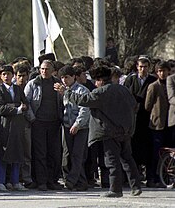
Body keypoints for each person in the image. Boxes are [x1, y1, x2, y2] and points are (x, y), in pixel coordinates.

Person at [55, 65, 142, 198]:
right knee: (127, 159)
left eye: (96, 80)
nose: (95, 83)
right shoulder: (123, 89)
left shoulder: (101, 92)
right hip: (126, 130)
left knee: (111, 161)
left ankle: (115, 189)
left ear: (101, 80)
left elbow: (84, 100)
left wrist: (66, 92)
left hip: (109, 131)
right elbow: (134, 106)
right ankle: (135, 186)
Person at [24, 60, 64, 191]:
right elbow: (26, 102)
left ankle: (52, 180)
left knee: (54, 153)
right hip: (38, 122)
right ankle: (41, 181)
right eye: (42, 69)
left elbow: (64, 101)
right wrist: (32, 118)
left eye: (47, 69)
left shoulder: (57, 83)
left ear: (53, 70)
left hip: (54, 122)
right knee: (40, 153)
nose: (44, 71)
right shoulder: (33, 84)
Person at [0, 65, 27, 191]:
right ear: (0, 76)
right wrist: (16, 108)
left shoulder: (18, 89)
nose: (6, 76)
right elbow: (0, 108)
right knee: (4, 153)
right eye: (4, 74)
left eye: (8, 74)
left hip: (18, 126)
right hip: (5, 126)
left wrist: (14, 106)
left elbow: (25, 104)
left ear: (13, 75)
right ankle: (0, 181)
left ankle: (15, 181)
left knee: (17, 153)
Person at [124, 56, 157, 186]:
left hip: (148, 119)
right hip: (133, 119)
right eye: (140, 66)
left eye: (145, 67)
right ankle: (134, 178)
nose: (142, 69)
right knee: (132, 149)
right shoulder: (131, 80)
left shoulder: (152, 80)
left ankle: (150, 178)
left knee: (148, 149)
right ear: (137, 67)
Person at [57, 66, 90, 191]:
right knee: (67, 155)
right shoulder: (62, 91)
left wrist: (77, 124)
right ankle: (76, 180)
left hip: (81, 127)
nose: (64, 80)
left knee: (77, 155)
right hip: (66, 126)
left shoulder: (82, 90)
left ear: (74, 77)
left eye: (67, 77)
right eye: (62, 78)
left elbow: (85, 110)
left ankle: (73, 181)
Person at [145, 61, 171, 188]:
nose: (163, 73)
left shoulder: (171, 85)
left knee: (169, 152)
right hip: (157, 124)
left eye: (164, 71)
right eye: (160, 71)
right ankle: (152, 178)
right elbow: (147, 105)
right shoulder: (153, 86)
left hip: (170, 123)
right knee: (155, 152)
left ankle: (166, 177)